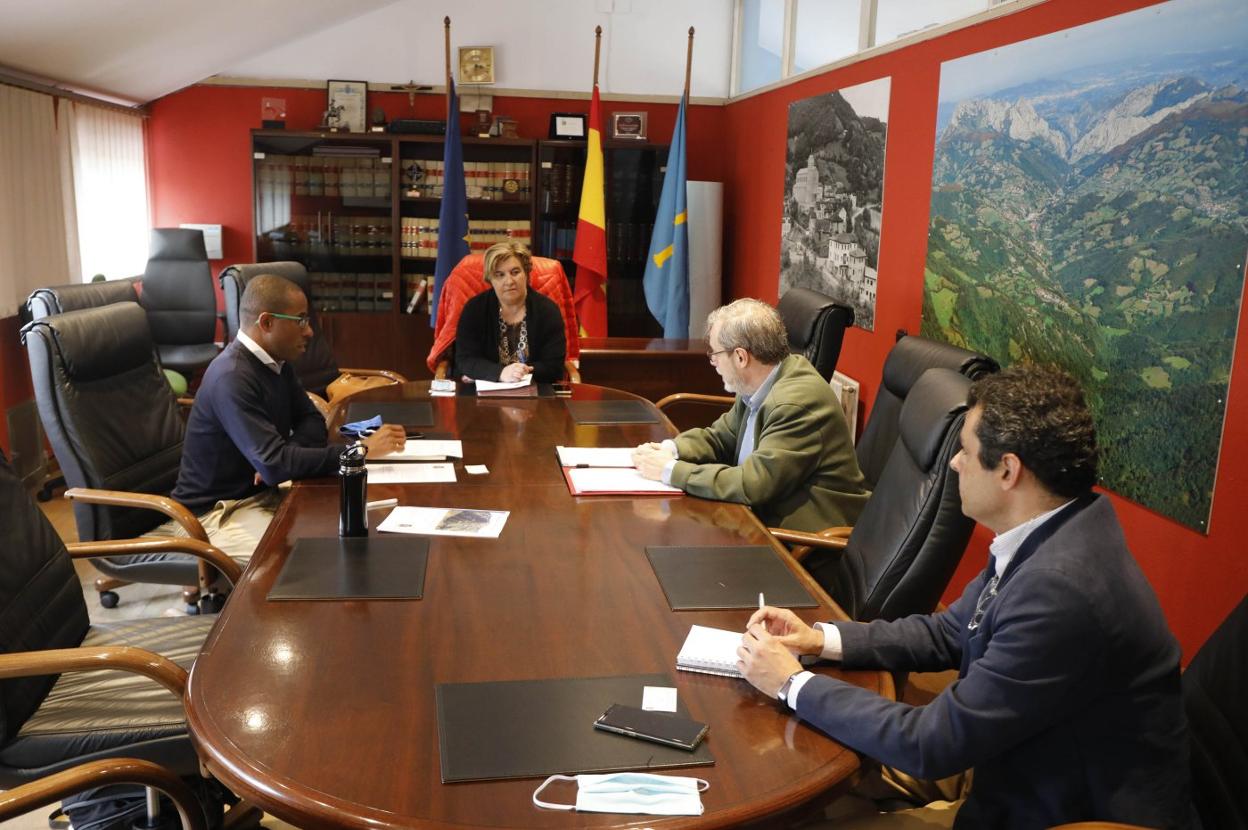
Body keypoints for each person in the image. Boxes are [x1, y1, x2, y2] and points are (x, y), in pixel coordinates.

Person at [737, 365, 1197, 829]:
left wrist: (791, 683)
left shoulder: (1061, 589)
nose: (955, 463)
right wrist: (821, 640)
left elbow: (930, 744)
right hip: (1009, 758)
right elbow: (950, 630)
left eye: (966, 451)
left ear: (1008, 470)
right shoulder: (1055, 530)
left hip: (1048, 809)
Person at [160, 274, 406, 559]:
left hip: (263, 493)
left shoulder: (275, 362)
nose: (310, 331)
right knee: (302, 559)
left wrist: (277, 459)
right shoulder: (232, 377)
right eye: (301, 320)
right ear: (266, 323)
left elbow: (312, 421)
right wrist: (357, 452)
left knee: (351, 523)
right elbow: (276, 464)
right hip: (213, 514)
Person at [631, 298, 868, 532]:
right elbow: (720, 437)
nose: (713, 362)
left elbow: (753, 485)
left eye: (715, 354)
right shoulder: (758, 383)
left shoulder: (795, 404)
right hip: (755, 520)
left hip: (802, 542)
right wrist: (669, 450)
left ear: (741, 357)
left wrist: (670, 471)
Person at [454, 241, 567, 384]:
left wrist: (519, 372)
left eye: (515, 272)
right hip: (484, 396)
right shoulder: (475, 309)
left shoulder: (547, 310)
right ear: (490, 279)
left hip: (536, 394)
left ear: (526, 273)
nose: (509, 281)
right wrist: (500, 373)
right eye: (499, 275)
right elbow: (465, 360)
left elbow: (554, 367)